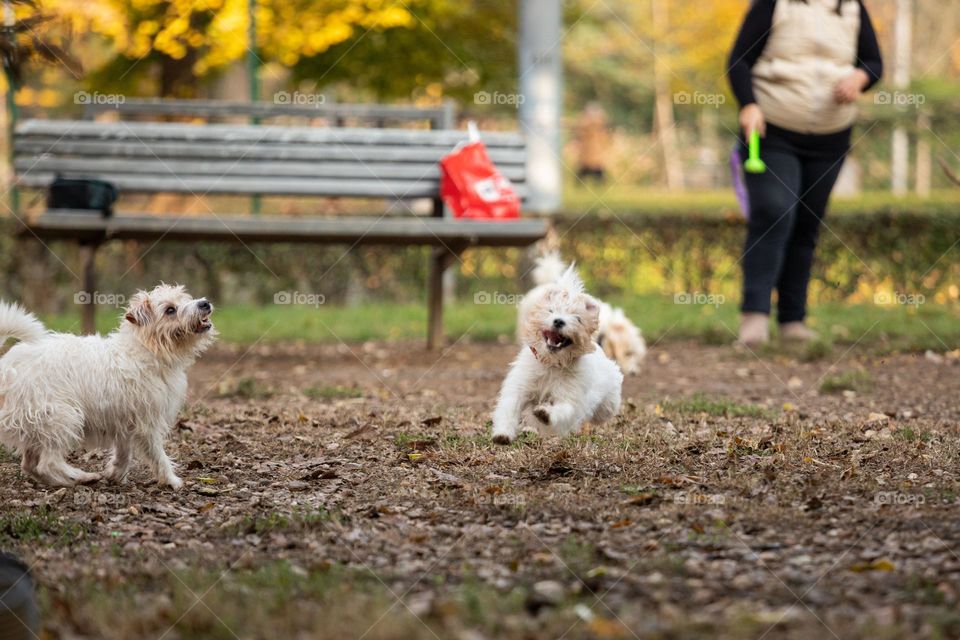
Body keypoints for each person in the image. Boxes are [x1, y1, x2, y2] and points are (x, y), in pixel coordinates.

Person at [727, 0, 883, 345]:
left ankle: (792, 321)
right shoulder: (774, 4)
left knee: (806, 225)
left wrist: (861, 76)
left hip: (831, 137)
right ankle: (754, 318)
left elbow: (874, 62)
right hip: (771, 131)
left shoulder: (852, 8)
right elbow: (738, 60)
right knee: (773, 212)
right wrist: (748, 104)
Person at [574, 102, 611, 183]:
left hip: (596, 150)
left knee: (596, 167)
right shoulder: (585, 121)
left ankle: (599, 182)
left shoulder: (600, 122)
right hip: (587, 150)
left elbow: (605, 136)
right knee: (585, 167)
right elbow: (580, 132)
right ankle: (581, 183)